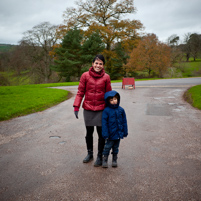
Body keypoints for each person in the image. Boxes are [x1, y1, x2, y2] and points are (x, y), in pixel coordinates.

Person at [73, 54, 112, 167]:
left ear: (103, 65)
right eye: (96, 63)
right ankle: (90, 154)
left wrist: (110, 110)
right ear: (92, 64)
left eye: (100, 63)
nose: (98, 65)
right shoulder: (85, 76)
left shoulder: (106, 77)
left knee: (101, 134)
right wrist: (76, 106)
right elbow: (80, 92)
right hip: (88, 108)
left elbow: (109, 94)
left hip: (101, 109)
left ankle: (100, 156)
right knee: (89, 132)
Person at [101, 90, 128, 168]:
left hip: (118, 133)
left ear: (118, 99)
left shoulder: (121, 110)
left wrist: (125, 132)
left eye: (115, 99)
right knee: (107, 147)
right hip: (110, 134)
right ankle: (105, 159)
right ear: (108, 101)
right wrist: (105, 134)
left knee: (116, 147)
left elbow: (124, 121)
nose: (114, 101)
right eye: (111, 100)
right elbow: (104, 123)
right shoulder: (106, 111)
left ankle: (114, 159)